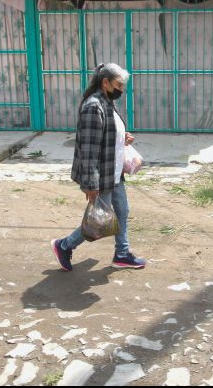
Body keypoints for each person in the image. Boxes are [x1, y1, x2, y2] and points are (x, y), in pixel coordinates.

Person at [51, 63, 146, 271]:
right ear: (105, 83)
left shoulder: (107, 102)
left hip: (114, 172)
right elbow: (89, 149)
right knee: (98, 222)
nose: (121, 90)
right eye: (118, 85)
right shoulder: (94, 106)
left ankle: (122, 254)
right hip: (102, 175)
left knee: (122, 211)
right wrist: (91, 184)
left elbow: (106, 134)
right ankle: (64, 245)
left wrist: (123, 137)